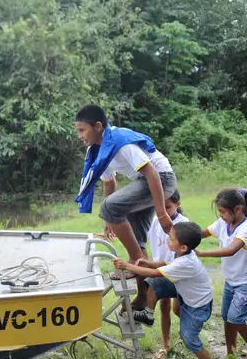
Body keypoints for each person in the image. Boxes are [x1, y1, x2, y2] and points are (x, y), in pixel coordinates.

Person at [74, 105, 176, 309]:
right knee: (137, 239)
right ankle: (143, 295)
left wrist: (162, 213)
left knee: (111, 208)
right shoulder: (98, 152)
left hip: (160, 179)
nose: (79, 136)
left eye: (82, 130)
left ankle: (135, 262)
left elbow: (152, 173)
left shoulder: (120, 142)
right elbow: (109, 183)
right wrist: (109, 220)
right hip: (145, 182)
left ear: (98, 126)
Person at [114, 222, 226, 359]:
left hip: (197, 305)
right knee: (155, 283)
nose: (167, 239)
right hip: (185, 292)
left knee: (189, 337)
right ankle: (148, 314)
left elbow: (154, 272)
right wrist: (149, 263)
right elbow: (164, 264)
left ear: (182, 246)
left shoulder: (186, 262)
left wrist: (127, 265)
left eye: (171, 237)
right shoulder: (182, 253)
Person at [197, 188, 247, 359]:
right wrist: (184, 235)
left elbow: (231, 250)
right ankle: (230, 355)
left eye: (222, 211)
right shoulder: (223, 223)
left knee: (236, 318)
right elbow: (204, 232)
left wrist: (201, 253)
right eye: (219, 212)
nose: (220, 216)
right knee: (228, 319)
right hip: (231, 281)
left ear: (238, 209)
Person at [130, 190, 187, 359]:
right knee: (163, 305)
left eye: (167, 207)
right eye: (158, 207)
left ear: (178, 204)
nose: (162, 211)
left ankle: (192, 338)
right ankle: (166, 345)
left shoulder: (182, 226)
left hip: (178, 273)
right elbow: (143, 240)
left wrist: (148, 265)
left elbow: (172, 263)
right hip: (162, 270)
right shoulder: (155, 222)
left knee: (178, 309)